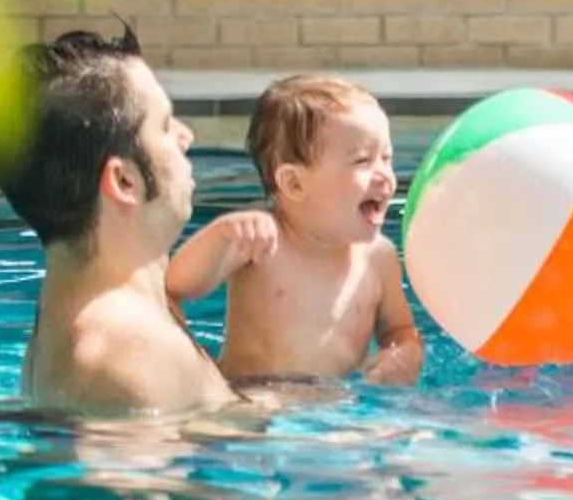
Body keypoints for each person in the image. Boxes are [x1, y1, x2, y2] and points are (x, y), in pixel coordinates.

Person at [0, 26, 235, 417]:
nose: (187, 136)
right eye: (165, 126)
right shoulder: (132, 357)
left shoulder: (69, 318)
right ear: (124, 181)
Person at [165, 75, 425, 386]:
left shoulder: (379, 258)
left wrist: (404, 354)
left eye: (387, 158)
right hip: (254, 400)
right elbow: (176, 286)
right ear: (294, 184)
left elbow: (400, 331)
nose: (385, 175)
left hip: (340, 410)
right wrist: (222, 234)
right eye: (362, 160)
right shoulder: (260, 243)